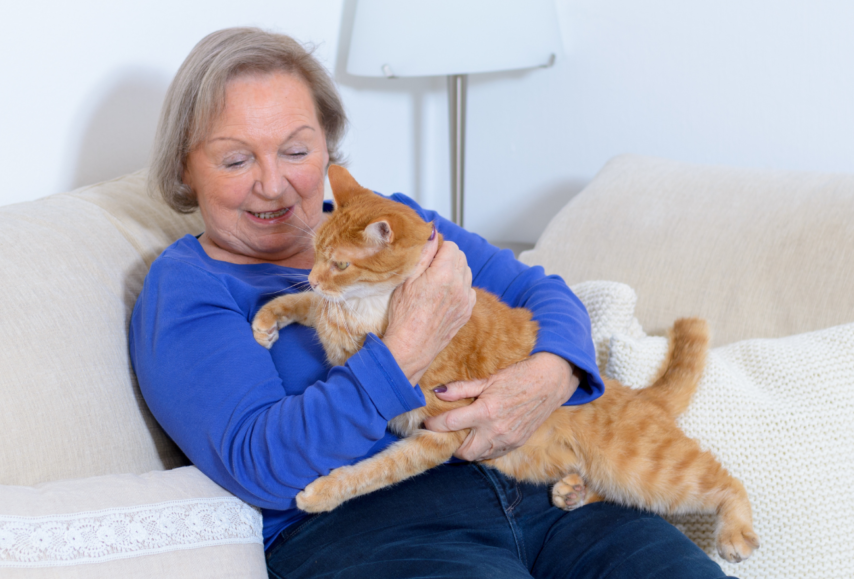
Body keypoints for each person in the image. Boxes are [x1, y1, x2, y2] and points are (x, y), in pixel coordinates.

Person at [130, 27, 730, 579]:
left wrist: (550, 375)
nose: (272, 183)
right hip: (369, 528)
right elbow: (259, 463)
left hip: (554, 493)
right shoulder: (189, 286)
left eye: (296, 150)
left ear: (328, 149)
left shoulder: (392, 222)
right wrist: (406, 348)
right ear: (185, 168)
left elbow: (541, 293)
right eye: (236, 159)